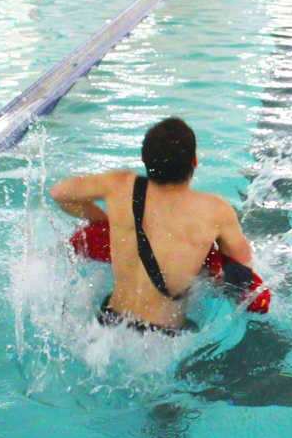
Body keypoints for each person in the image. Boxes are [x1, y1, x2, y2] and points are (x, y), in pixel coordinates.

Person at [50, 117, 260, 336]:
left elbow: (59, 193)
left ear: (144, 159)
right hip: (165, 337)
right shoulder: (216, 210)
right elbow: (241, 270)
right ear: (195, 161)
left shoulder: (118, 184)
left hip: (110, 324)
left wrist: (102, 223)